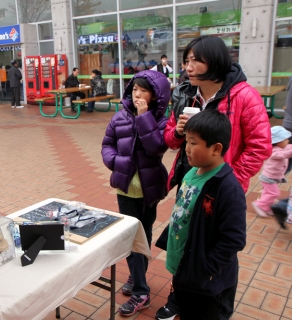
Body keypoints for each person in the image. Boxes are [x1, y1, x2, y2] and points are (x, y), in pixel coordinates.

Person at [158, 35, 272, 320]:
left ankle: (211, 297)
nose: (188, 66)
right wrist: (181, 132)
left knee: (214, 244)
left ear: (216, 60)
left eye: (196, 59)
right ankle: (179, 296)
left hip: (220, 189)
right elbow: (170, 140)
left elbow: (260, 145)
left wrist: (231, 179)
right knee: (184, 236)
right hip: (189, 183)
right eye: (186, 60)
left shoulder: (244, 95)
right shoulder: (185, 93)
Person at [158, 109, 246, 320]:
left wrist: (206, 269)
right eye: (186, 141)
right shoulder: (191, 172)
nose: (186, 148)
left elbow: (233, 239)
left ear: (216, 149)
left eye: (193, 143)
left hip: (206, 281)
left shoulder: (228, 188)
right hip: (185, 268)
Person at [101, 70, 170, 316]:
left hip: (148, 191)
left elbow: (156, 147)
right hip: (125, 189)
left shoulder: (160, 119)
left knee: (142, 236)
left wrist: (143, 116)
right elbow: (107, 145)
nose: (137, 94)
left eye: (143, 90)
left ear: (155, 95)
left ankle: (141, 291)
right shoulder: (119, 116)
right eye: (134, 90)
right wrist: (116, 162)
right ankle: (138, 281)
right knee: (132, 237)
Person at [252, 126, 292, 217]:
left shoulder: (282, 147)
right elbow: (285, 154)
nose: (288, 141)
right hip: (268, 177)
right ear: (278, 142)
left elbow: (289, 147)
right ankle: (259, 204)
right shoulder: (273, 152)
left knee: (267, 193)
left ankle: (266, 207)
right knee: (274, 193)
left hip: (274, 177)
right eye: (285, 139)